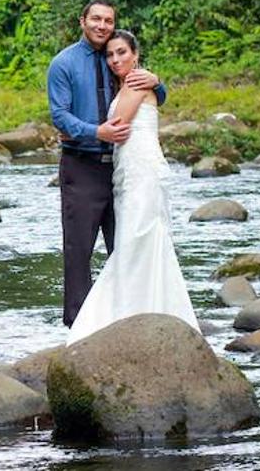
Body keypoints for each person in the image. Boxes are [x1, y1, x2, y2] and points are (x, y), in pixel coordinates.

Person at [66, 30, 198, 343]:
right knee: (133, 240)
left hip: (143, 172)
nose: (115, 60)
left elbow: (119, 125)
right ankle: (139, 313)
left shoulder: (139, 81)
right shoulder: (130, 83)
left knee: (139, 240)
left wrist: (78, 132)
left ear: (135, 54)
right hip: (126, 173)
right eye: (110, 55)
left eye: (122, 53)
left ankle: (135, 315)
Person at [47, 0, 165, 328]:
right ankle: (78, 325)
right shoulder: (64, 63)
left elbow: (153, 98)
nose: (102, 26)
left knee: (124, 243)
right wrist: (95, 131)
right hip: (82, 166)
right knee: (78, 249)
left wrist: (157, 83)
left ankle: (125, 318)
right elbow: (59, 115)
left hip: (120, 168)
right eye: (96, 19)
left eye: (108, 20)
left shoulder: (118, 57)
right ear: (82, 21)